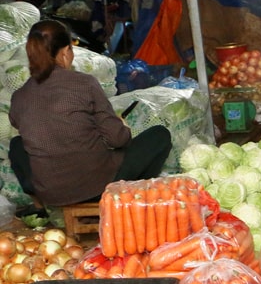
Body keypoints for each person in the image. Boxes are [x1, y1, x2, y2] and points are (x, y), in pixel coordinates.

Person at [8, 20, 172, 210]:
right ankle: (128, 199)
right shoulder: (84, 83)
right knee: (159, 135)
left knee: (17, 144)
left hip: (51, 193)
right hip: (97, 186)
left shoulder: (19, 96)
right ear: (64, 52)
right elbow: (118, 139)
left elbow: (22, 122)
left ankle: (39, 205)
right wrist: (122, 127)